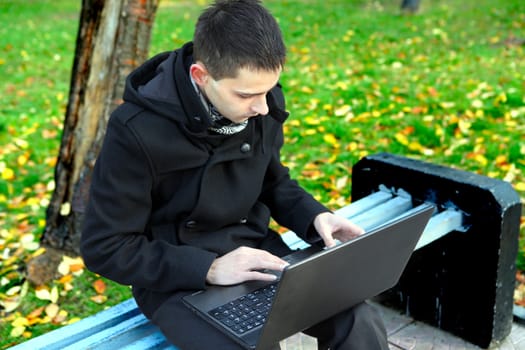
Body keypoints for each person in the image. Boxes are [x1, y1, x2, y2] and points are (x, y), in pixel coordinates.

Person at [80, 0, 389, 348]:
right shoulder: (137, 130)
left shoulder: (262, 104)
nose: (262, 108)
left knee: (357, 320)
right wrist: (208, 269)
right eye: (246, 95)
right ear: (201, 76)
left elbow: (271, 180)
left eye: (268, 90)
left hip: (258, 252)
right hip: (180, 278)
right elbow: (105, 247)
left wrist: (315, 216)